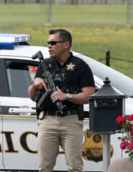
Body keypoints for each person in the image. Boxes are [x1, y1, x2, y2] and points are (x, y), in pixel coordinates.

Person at [28, 29, 95, 172]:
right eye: (48, 43)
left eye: (53, 43)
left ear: (66, 44)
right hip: (47, 120)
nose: (49, 46)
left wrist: (67, 96)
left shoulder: (80, 66)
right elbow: (32, 96)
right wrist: (34, 84)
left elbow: (89, 95)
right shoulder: (44, 65)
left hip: (70, 120)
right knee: (45, 167)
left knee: (75, 166)